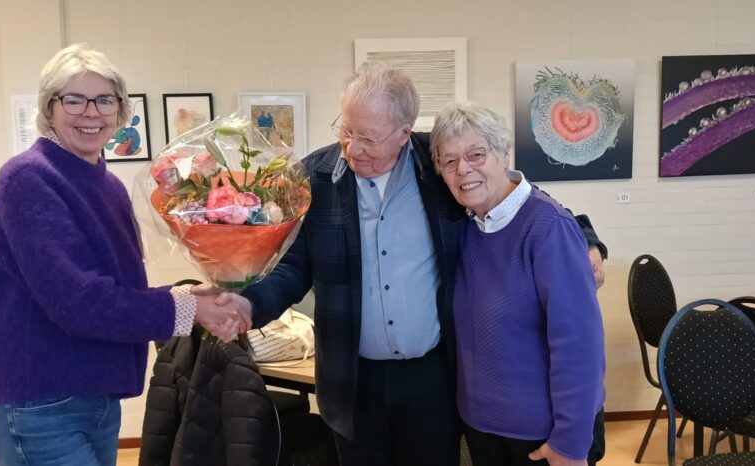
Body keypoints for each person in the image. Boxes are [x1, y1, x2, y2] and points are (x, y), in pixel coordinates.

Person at [201, 63, 606, 466]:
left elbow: (508, 195)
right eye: (346, 130)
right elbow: (292, 268)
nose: (352, 148)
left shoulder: (439, 163)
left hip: (433, 379)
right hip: (351, 380)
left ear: (403, 134)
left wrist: (586, 240)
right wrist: (249, 304)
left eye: (368, 137)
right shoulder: (314, 178)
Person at [0, 43, 245, 466]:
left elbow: (113, 289)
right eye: (74, 100)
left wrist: (190, 296)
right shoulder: (29, 178)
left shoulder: (107, 184)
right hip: (39, 402)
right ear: (49, 108)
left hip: (92, 394)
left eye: (104, 100)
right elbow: (78, 302)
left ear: (120, 110)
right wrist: (188, 310)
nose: (91, 113)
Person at [430, 101, 606, 466]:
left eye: (476, 154)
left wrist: (571, 441)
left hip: (544, 436)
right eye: (449, 161)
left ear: (504, 153)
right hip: (482, 429)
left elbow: (580, 345)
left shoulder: (548, 227)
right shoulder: (465, 228)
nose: (463, 169)